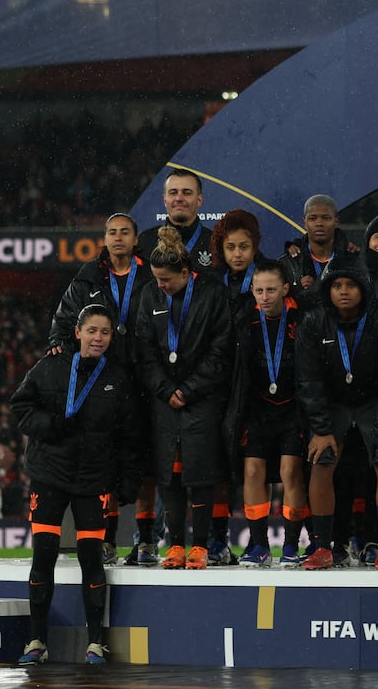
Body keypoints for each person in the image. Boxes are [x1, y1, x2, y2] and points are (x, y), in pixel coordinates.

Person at [11, 304, 142, 665]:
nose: (98, 338)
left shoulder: (118, 376)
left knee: (91, 559)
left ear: (112, 336)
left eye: (105, 332)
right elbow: (19, 406)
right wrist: (50, 426)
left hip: (93, 478)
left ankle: (96, 643)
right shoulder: (51, 366)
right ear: (78, 332)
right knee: (44, 556)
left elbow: (130, 435)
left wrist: (128, 481)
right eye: (92, 331)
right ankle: (36, 642)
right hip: (50, 475)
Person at [46, 212, 154, 564]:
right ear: (104, 239)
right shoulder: (88, 276)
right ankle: (106, 539)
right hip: (102, 380)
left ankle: (147, 539)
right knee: (104, 461)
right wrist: (58, 347)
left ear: (136, 239)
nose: (118, 237)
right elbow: (64, 322)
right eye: (112, 232)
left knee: (145, 463)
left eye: (125, 232)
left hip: (144, 378)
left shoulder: (150, 274)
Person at [135, 227, 235, 569]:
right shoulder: (150, 296)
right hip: (164, 400)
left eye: (167, 280)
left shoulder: (211, 293)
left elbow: (221, 349)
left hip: (202, 398)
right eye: (157, 279)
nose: (161, 286)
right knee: (170, 473)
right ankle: (176, 545)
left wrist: (189, 389)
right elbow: (144, 351)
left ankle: (202, 546)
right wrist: (166, 390)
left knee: (202, 473)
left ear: (184, 272)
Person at [296, 256, 378, 569]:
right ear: (327, 288)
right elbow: (309, 381)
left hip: (373, 402)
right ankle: (322, 547)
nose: (344, 291)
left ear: (363, 288)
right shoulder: (314, 322)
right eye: (337, 285)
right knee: (321, 462)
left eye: (351, 285)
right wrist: (321, 428)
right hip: (333, 405)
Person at [233, 259, 308, 568]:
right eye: (259, 290)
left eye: (271, 290)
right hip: (257, 409)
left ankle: (290, 545)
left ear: (285, 289)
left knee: (291, 471)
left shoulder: (301, 319)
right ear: (251, 290)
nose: (264, 297)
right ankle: (259, 544)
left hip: (293, 409)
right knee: (252, 472)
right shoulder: (244, 321)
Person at [207, 207, 269, 564]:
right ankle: (217, 540)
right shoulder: (211, 283)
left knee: (254, 467)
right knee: (219, 469)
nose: (238, 254)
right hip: (219, 388)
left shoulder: (269, 276)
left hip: (259, 389)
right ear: (221, 248)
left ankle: (259, 540)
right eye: (231, 247)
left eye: (244, 246)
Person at [281, 195, 354, 304]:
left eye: (326, 218)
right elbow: (277, 307)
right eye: (312, 218)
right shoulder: (286, 263)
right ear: (304, 223)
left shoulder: (352, 260)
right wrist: (298, 289)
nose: (319, 223)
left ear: (336, 222)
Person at [137, 168, 213, 272]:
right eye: (173, 193)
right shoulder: (147, 241)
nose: (179, 198)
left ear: (199, 200)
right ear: (165, 200)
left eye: (187, 193)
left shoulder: (215, 243)